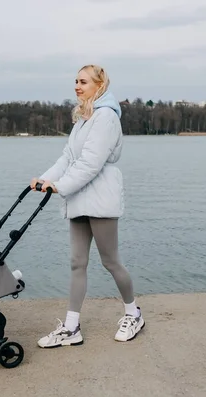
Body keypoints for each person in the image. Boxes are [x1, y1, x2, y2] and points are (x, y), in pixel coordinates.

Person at [30, 64, 144, 348]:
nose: (77, 86)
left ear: (99, 85)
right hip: (79, 198)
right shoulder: (84, 118)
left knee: (111, 261)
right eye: (75, 82)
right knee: (76, 262)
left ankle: (134, 313)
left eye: (83, 82)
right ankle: (71, 327)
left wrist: (61, 186)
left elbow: (91, 163)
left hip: (100, 198)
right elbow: (68, 156)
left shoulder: (105, 117)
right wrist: (45, 179)